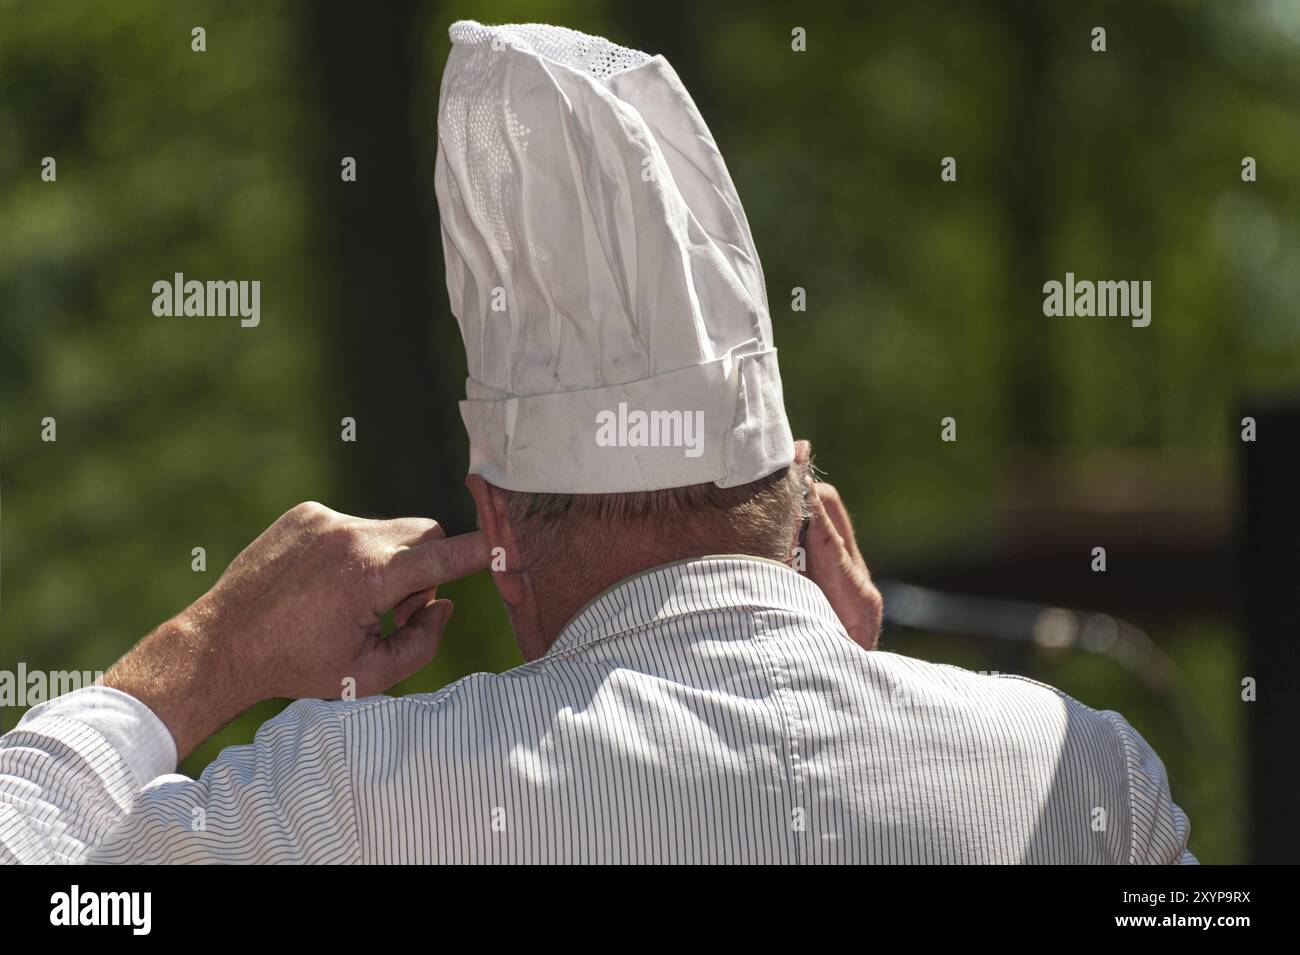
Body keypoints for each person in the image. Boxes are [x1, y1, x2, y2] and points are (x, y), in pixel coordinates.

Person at [0, 21, 1192, 864]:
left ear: (499, 526)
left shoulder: (358, 803)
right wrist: (858, 710)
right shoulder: (1082, 779)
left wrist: (204, 656)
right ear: (805, 496)